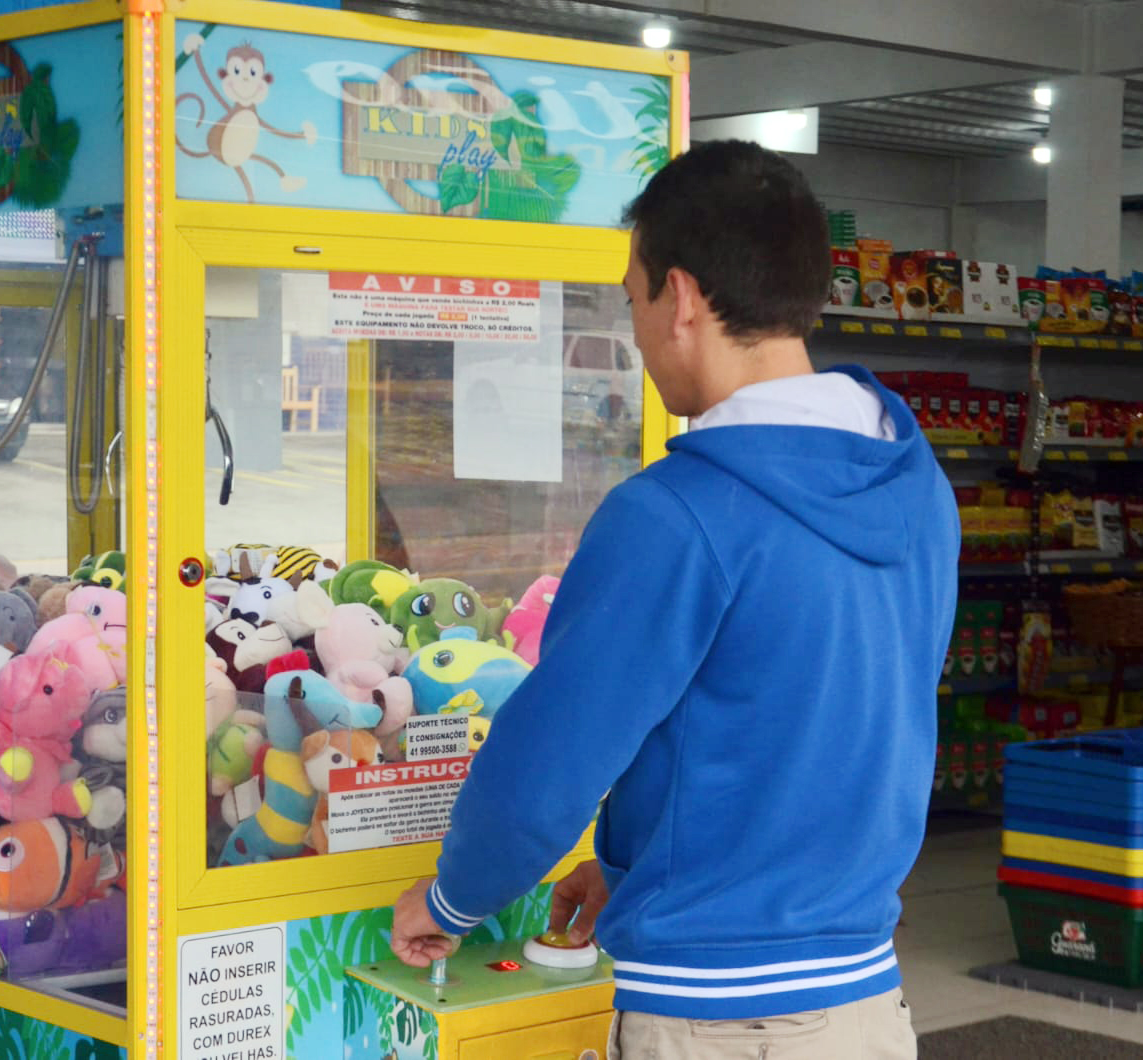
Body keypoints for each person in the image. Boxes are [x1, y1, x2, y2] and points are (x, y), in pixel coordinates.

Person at [391, 139, 959, 1058]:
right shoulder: (915, 486)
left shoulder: (675, 515)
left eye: (632, 298)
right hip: (866, 1007)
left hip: (717, 1021)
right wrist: (641, 869)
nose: (637, 329)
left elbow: (552, 757)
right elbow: (837, 721)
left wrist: (455, 896)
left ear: (682, 298)